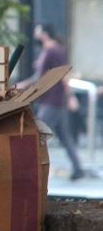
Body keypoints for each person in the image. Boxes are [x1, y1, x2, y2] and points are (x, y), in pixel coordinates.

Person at [30, 24, 85, 181]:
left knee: (37, 133)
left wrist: (71, 97)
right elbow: (39, 76)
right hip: (51, 100)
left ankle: (34, 169)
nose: (35, 33)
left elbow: (63, 75)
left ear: (45, 34)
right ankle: (78, 168)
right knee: (64, 136)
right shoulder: (47, 51)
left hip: (52, 100)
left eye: (38, 30)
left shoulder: (54, 50)